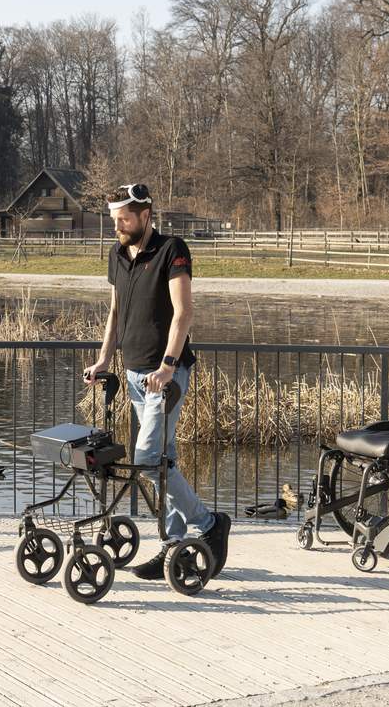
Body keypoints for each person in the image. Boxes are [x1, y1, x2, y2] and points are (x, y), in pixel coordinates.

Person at [83, 183, 231, 580]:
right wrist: (102, 359)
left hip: (165, 375)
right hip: (134, 374)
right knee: (164, 459)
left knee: (147, 458)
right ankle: (174, 545)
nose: (118, 226)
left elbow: (183, 313)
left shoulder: (172, 250)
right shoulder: (117, 254)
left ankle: (209, 522)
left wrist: (168, 365)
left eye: (125, 219)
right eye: (115, 219)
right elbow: (115, 313)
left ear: (146, 216)